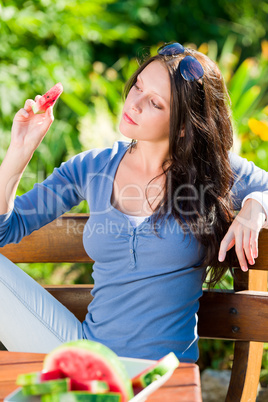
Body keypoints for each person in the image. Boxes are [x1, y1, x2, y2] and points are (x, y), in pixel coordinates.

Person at [0, 42, 268, 363]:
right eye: (138, 86)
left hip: (162, 374)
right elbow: (5, 231)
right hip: (87, 358)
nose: (134, 103)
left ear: (183, 126)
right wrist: (20, 149)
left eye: (154, 103)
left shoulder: (213, 173)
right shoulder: (91, 167)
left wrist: (255, 206)